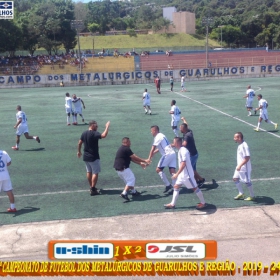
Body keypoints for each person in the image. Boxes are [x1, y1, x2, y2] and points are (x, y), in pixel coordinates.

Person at [164, 137, 206, 210]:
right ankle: (172, 204)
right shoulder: (181, 150)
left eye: (174, 143)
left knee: (195, 188)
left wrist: (176, 174)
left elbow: (183, 164)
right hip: (182, 175)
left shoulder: (183, 151)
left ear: (177, 143)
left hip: (187, 176)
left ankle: (203, 203)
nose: (173, 144)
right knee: (176, 186)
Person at [77, 120, 110, 196]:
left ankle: (91, 187)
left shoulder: (84, 133)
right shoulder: (94, 133)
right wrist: (107, 127)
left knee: (89, 171)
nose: (97, 127)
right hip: (93, 156)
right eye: (96, 126)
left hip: (86, 156)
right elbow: (104, 135)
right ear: (92, 125)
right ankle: (93, 188)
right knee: (95, 172)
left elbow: (79, 143)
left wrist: (78, 151)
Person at [114, 137, 151, 201]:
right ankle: (124, 193)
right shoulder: (126, 149)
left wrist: (140, 163)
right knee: (131, 179)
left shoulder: (122, 148)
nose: (130, 143)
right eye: (129, 142)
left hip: (119, 170)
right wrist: (145, 160)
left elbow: (131, 159)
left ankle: (134, 192)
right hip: (124, 169)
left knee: (129, 181)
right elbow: (134, 157)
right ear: (126, 142)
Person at [147, 125, 176, 193]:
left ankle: (168, 185)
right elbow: (163, 146)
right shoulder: (162, 135)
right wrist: (154, 152)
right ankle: (175, 188)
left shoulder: (157, 137)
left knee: (158, 169)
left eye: (151, 131)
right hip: (172, 153)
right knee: (172, 171)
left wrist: (149, 158)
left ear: (155, 130)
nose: (151, 133)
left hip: (167, 154)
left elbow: (153, 148)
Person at [180, 117, 205, 186]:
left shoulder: (187, 136)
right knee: (193, 169)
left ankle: (201, 180)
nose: (180, 129)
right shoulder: (189, 131)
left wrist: (177, 145)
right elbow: (186, 124)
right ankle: (197, 181)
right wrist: (184, 119)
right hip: (194, 154)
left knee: (191, 169)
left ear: (184, 129)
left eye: (181, 128)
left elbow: (184, 144)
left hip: (192, 155)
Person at [233, 132, 255, 201]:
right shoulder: (240, 145)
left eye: (235, 137)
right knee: (235, 178)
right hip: (239, 167)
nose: (234, 139)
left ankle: (252, 196)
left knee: (247, 181)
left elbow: (247, 157)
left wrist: (239, 165)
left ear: (239, 138)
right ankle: (241, 193)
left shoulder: (244, 146)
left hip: (245, 168)